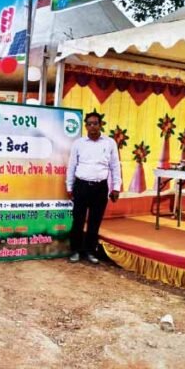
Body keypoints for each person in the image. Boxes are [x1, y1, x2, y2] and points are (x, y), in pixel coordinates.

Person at [65, 110, 121, 264]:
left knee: (94, 221)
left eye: (95, 123)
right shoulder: (79, 143)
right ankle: (75, 251)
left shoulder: (109, 143)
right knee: (78, 220)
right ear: (85, 126)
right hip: (81, 186)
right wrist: (69, 186)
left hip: (100, 187)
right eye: (89, 124)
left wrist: (116, 187)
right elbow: (72, 165)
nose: (92, 127)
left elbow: (115, 166)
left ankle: (90, 251)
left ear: (101, 125)